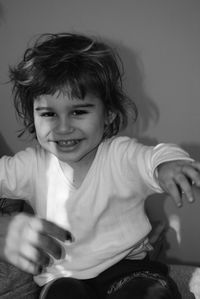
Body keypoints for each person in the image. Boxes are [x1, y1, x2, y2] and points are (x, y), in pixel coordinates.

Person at [1, 32, 200, 299]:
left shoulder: (119, 155)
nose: (63, 127)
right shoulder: (30, 165)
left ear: (108, 115)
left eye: (79, 112)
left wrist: (167, 166)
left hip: (128, 268)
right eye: (48, 114)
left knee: (151, 292)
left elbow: (154, 156)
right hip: (61, 277)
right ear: (32, 117)